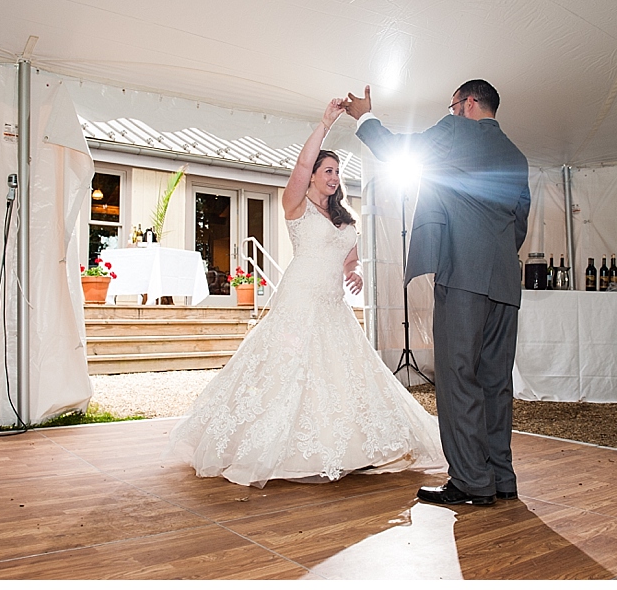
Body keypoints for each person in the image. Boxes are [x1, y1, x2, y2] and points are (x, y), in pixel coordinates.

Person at [166, 98, 446, 488]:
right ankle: (267, 445)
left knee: (341, 373)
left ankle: (350, 446)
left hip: (333, 304)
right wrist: (325, 125)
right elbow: (299, 165)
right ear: (313, 175)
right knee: (288, 369)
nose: (334, 177)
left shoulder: (345, 218)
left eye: (337, 171)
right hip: (299, 297)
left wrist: (357, 273)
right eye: (328, 170)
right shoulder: (295, 206)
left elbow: (350, 259)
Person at [345, 80, 531, 506]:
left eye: (452, 106)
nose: (451, 113)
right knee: (495, 383)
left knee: (457, 379)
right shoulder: (517, 156)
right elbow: (519, 222)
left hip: (464, 278)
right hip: (504, 281)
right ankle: (502, 478)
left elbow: (395, 149)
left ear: (467, 104)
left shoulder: (454, 132)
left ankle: (470, 482)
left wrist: (364, 117)